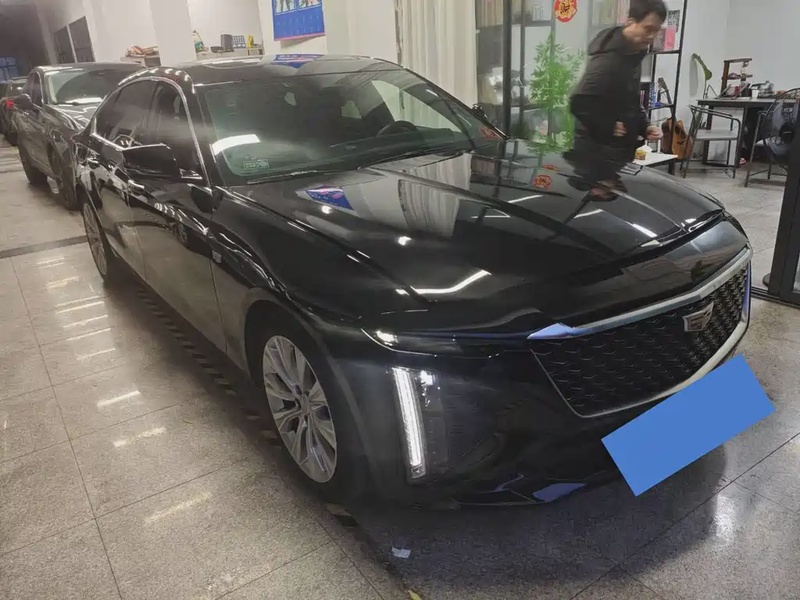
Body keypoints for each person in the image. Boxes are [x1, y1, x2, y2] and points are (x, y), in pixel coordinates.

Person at [570, 0, 667, 162]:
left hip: (618, 150)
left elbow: (631, 100)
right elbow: (579, 102)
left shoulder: (633, 53)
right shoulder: (608, 60)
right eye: (647, 29)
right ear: (630, 22)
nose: (652, 36)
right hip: (597, 153)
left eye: (656, 31)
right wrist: (608, 125)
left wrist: (645, 126)